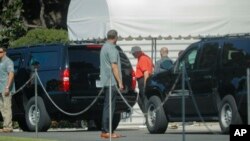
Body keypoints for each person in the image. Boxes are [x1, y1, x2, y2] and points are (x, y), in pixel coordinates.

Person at [100, 30, 124, 139]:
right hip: (111, 82)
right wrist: (120, 82)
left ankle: (107, 130)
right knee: (110, 108)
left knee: (107, 107)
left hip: (106, 81)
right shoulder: (112, 49)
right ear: (116, 37)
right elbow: (114, 66)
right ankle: (106, 131)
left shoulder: (104, 47)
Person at [131, 46, 153, 113]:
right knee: (140, 100)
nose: (133, 55)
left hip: (143, 81)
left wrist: (146, 85)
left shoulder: (142, 59)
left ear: (137, 52)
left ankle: (148, 116)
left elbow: (146, 72)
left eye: (133, 53)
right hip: (143, 81)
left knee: (144, 100)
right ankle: (147, 115)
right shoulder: (144, 58)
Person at [0, 46, 15, 133]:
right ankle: (5, 125)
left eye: (0, 52)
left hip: (6, 89)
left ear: (5, 52)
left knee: (7, 107)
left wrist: (7, 87)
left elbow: (11, 74)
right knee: (2, 107)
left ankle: (8, 127)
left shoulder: (8, 61)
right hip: (0, 88)